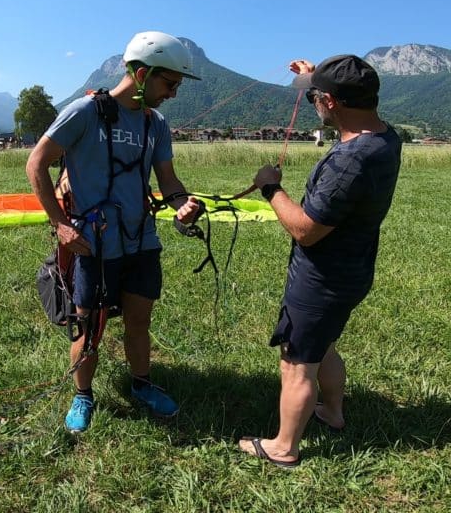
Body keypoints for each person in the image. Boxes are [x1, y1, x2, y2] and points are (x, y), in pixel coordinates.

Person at [26, 31, 205, 433]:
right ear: (141, 74)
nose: (173, 94)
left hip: (141, 239)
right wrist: (61, 225)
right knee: (90, 324)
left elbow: (169, 181)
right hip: (94, 243)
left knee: (139, 318)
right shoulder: (85, 112)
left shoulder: (155, 123)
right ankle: (83, 395)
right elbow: (36, 163)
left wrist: (182, 204)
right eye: (169, 84)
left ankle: (141, 384)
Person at [238, 55, 402, 468]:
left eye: (316, 98)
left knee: (297, 362)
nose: (313, 103)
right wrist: (313, 78)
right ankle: (333, 411)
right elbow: (341, 95)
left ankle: (284, 447)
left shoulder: (351, 160)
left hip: (322, 278)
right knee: (324, 345)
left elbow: (305, 229)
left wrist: (270, 188)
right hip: (353, 270)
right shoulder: (386, 137)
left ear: (331, 101)